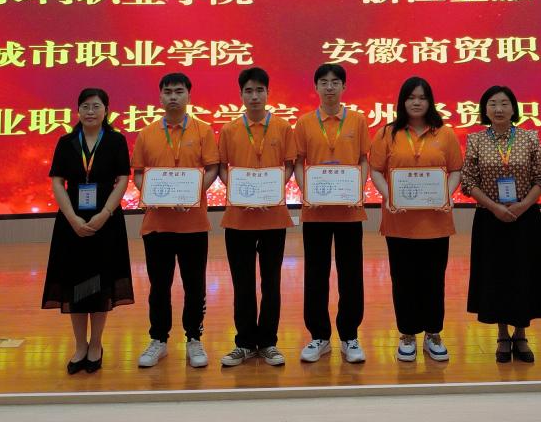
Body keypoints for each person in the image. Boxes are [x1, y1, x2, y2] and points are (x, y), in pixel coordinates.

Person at [461, 85, 541, 364]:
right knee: (496, 277)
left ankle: (521, 334)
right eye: (492, 103)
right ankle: (503, 335)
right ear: (485, 109)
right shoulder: (475, 140)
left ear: (513, 108)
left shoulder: (530, 137)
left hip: (524, 219)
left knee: (523, 275)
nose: (499, 109)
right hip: (489, 219)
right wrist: (495, 207)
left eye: (504, 103)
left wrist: (521, 205)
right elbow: (468, 182)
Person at [369, 77, 463, 363]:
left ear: (430, 101)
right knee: (403, 280)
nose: (417, 102)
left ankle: (433, 333)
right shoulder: (387, 133)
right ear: (403, 102)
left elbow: (456, 170)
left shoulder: (444, 133)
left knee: (434, 279)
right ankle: (407, 334)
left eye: (422, 97)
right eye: (411, 97)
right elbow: (376, 170)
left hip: (436, 222)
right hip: (399, 222)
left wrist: (446, 195)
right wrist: (389, 196)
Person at [41, 87, 134, 375]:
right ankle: (80, 345)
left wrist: (105, 213)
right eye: (85, 106)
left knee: (100, 283)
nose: (90, 111)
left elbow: (122, 180)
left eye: (96, 106)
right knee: (76, 284)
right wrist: (71, 218)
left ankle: (96, 344)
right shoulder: (66, 142)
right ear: (78, 110)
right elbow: (57, 182)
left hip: (106, 221)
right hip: (72, 223)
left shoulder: (116, 140)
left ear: (106, 110)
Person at [132, 72, 219, 369]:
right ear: (160, 97)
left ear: (188, 96)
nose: (173, 96)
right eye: (167, 92)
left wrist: (192, 193)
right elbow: (139, 173)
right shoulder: (147, 133)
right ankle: (158, 340)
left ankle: (194, 338)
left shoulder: (203, 131)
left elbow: (212, 168)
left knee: (195, 286)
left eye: (178, 91)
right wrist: (153, 195)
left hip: (193, 224)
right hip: (157, 225)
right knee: (159, 286)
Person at [217, 67, 297, 367]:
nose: (254, 96)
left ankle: (268, 342)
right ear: (241, 95)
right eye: (248, 91)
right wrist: (240, 193)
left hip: (273, 217)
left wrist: (271, 191)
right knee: (243, 283)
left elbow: (289, 165)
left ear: (267, 93)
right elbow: (222, 167)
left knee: (271, 282)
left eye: (259, 90)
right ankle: (244, 343)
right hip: (238, 218)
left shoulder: (283, 128)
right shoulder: (229, 130)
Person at [293, 63, 371, 364]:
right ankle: (319, 336)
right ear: (316, 87)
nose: (329, 87)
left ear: (344, 87)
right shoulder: (304, 123)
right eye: (323, 82)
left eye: (335, 82)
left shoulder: (358, 121)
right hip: (316, 213)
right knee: (316, 274)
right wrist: (307, 192)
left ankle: (350, 335)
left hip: (349, 211)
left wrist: (357, 187)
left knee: (351, 274)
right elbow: (299, 162)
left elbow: (364, 160)